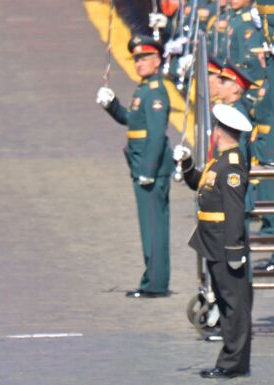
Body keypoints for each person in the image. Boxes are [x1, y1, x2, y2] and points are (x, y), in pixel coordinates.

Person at [180, 103, 254, 379]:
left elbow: (234, 210)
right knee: (225, 301)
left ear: (219, 134)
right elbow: (202, 183)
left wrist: (234, 248)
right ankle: (232, 358)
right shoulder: (220, 161)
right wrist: (187, 165)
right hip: (214, 240)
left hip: (225, 242)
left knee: (234, 303)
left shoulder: (232, 166)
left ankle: (233, 362)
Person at [98, 34, 173, 298]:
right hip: (142, 165)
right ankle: (151, 278)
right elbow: (132, 121)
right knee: (149, 226)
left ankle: (156, 283)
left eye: (145, 58)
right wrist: (112, 106)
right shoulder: (143, 89)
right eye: (137, 59)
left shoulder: (155, 93)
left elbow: (155, 134)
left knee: (154, 227)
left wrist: (148, 171)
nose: (139, 63)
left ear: (158, 60)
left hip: (149, 168)